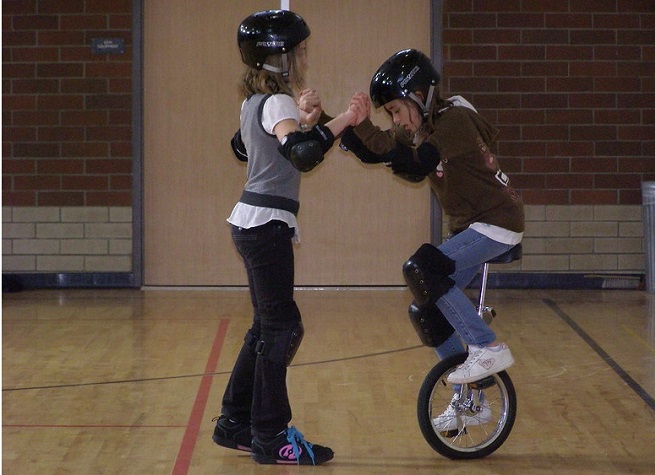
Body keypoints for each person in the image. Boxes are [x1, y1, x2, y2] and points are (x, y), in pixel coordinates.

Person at [341, 49, 524, 430]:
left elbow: (413, 165)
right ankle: (472, 403)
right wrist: (346, 123)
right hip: (473, 226)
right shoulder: (425, 126)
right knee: (426, 308)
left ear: (419, 95)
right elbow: (382, 152)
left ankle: (486, 346)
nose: (393, 120)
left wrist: (368, 134)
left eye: (394, 109)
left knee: (422, 268)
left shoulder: (454, 120)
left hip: (496, 222)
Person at [212, 10, 357, 466]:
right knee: (283, 327)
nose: (305, 57)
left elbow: (244, 146)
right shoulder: (275, 102)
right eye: (300, 51)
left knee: (266, 325)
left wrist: (306, 118)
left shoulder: (258, 101)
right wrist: (344, 120)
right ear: (280, 57)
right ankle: (270, 435)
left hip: (253, 222)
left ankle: (234, 422)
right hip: (264, 226)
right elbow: (304, 155)